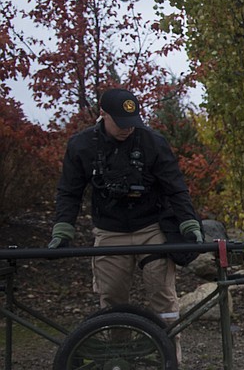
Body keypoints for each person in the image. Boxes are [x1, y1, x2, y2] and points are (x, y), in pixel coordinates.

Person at [49, 87, 202, 330]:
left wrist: (189, 224)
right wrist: (63, 230)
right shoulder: (82, 146)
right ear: (103, 114)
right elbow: (69, 191)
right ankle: (118, 359)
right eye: (121, 123)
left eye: (132, 122)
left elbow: (176, 188)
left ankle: (170, 357)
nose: (127, 128)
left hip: (151, 228)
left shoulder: (153, 143)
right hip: (109, 231)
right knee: (112, 298)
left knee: (163, 296)